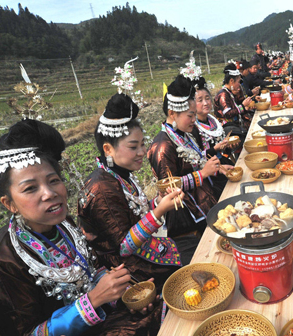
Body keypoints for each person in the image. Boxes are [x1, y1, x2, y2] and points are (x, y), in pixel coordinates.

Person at [0, 120, 161, 336]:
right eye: (30, 189)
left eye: (53, 180)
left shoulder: (63, 225)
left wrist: (119, 292)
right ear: (9, 203)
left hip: (100, 322)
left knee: (161, 311)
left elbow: (90, 270)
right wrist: (92, 302)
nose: (49, 193)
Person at [77, 93, 194, 280]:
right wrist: (159, 212)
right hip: (127, 269)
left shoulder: (120, 175)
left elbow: (135, 211)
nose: (142, 152)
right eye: (133, 147)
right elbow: (123, 246)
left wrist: (158, 201)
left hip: (146, 248)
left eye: (142, 144)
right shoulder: (101, 188)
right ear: (108, 149)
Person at [149, 75, 221, 240]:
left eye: (195, 115)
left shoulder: (184, 134)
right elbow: (168, 187)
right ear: (172, 113)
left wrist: (218, 167)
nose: (194, 120)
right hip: (185, 214)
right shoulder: (162, 146)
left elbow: (193, 159)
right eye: (190, 115)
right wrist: (202, 174)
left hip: (204, 197)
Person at [191, 74, 236, 197]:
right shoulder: (192, 127)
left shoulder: (212, 120)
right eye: (200, 100)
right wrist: (215, 149)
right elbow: (196, 157)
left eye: (207, 98)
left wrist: (229, 146)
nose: (205, 103)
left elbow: (222, 147)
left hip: (222, 163)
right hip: (210, 174)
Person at [214, 63, 254, 134]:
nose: (239, 84)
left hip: (234, 125)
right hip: (227, 129)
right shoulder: (223, 94)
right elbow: (228, 113)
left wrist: (246, 108)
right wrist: (243, 106)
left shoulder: (229, 92)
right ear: (232, 81)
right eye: (238, 82)